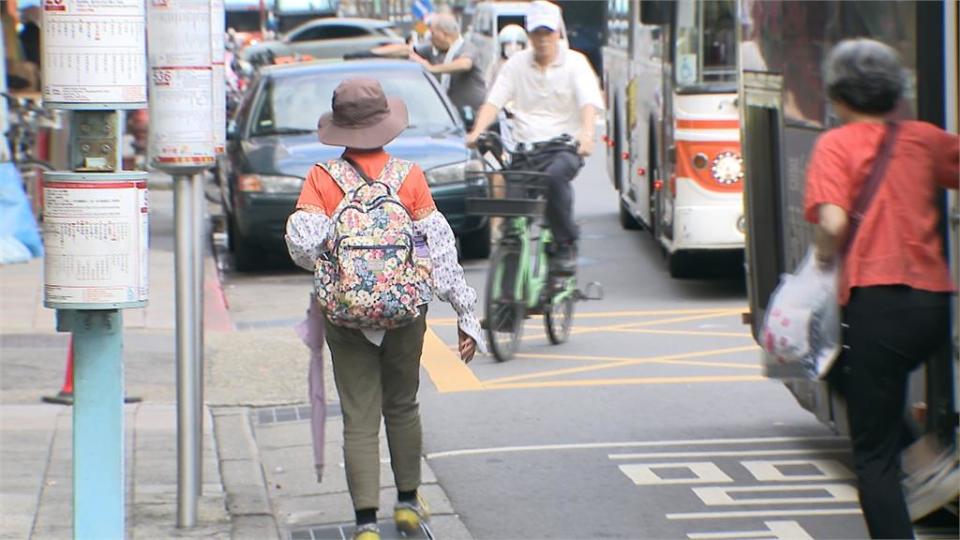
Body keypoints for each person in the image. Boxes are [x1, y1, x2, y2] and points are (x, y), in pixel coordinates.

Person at [284, 78, 484, 540]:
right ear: (386, 126)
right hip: (405, 312)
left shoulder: (321, 178)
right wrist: (464, 313)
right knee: (403, 404)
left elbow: (301, 246)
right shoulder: (408, 177)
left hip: (344, 313)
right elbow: (440, 251)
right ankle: (409, 505)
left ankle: (366, 525)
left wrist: (340, 246)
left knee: (358, 415)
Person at [803, 38, 958, 539]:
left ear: (838, 96)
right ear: (895, 91)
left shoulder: (835, 145)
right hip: (931, 307)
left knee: (873, 456)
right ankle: (927, 458)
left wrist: (826, 256)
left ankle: (917, 466)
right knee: (848, 376)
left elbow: (831, 221)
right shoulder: (924, 139)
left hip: (878, 304)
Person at [466, 0, 603, 275]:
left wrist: (587, 135)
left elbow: (588, 102)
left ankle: (565, 243)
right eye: (537, 33)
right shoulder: (516, 64)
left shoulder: (575, 63)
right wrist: (476, 132)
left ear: (558, 34)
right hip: (525, 147)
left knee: (554, 179)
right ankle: (505, 298)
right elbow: (493, 101)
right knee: (512, 212)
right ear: (529, 35)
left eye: (547, 33)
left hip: (563, 147)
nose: (542, 40)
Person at [375, 13, 486, 125]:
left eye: (432, 33)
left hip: (472, 115)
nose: (430, 37)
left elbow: (465, 64)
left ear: (444, 34)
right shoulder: (431, 50)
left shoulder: (467, 48)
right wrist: (373, 51)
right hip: (447, 116)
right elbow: (407, 50)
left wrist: (432, 68)